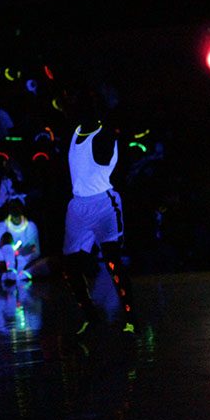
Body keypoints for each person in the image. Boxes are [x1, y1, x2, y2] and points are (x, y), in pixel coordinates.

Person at [62, 92, 136, 337]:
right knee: (71, 266)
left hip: (103, 204)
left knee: (113, 261)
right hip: (78, 206)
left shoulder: (104, 135)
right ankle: (91, 315)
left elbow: (108, 160)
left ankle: (130, 317)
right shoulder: (76, 132)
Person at [0, 198, 41, 283]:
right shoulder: (2, 226)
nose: (15, 211)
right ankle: (9, 273)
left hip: (25, 265)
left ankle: (19, 276)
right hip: (4, 265)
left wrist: (18, 256)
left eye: (17, 207)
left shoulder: (30, 226)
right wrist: (11, 256)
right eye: (13, 208)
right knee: (6, 237)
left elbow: (36, 251)